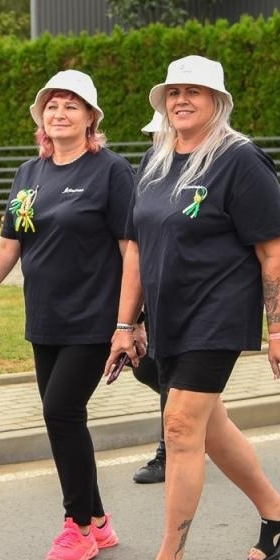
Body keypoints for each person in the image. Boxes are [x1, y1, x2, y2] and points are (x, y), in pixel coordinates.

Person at [108, 55, 280, 560]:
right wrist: (126, 325)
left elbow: (273, 254)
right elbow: (136, 249)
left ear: (217, 102)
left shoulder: (241, 162)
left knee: (179, 426)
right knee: (207, 424)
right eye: (173, 92)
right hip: (166, 319)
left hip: (217, 316)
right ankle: (279, 514)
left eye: (194, 92)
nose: (181, 100)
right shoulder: (154, 160)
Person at [0, 69, 134, 560]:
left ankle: (78, 527)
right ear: (42, 118)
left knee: (60, 412)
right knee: (67, 418)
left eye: (71, 105)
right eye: (52, 105)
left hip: (94, 317)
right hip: (45, 317)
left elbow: (132, 249)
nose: (60, 112)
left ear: (90, 117)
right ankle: (101, 521)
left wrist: (126, 323)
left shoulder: (110, 170)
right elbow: (8, 244)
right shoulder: (30, 173)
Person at [130, 110, 168, 486]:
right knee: (145, 367)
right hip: (153, 287)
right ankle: (198, 411)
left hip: (192, 297)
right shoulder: (149, 169)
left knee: (168, 369)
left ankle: (167, 452)